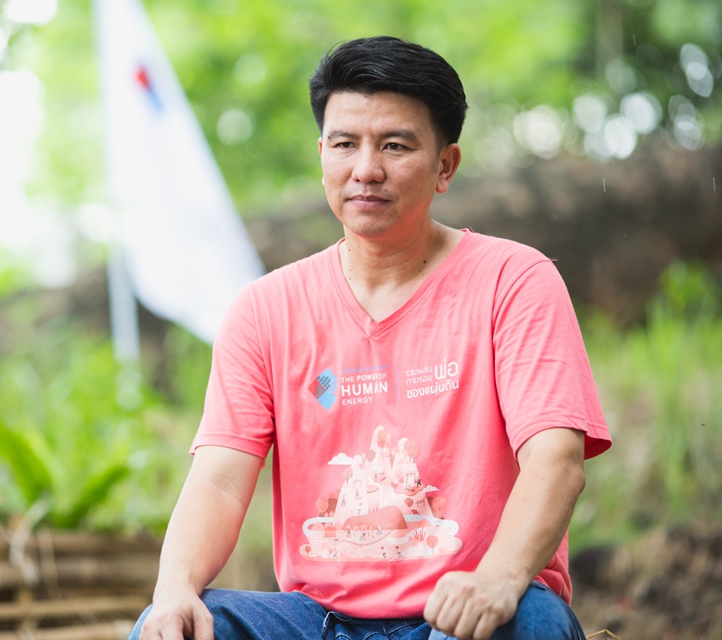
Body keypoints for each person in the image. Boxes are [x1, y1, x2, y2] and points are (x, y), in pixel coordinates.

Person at [130, 36, 611, 640]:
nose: (366, 170)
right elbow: (220, 479)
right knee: (176, 626)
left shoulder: (513, 281)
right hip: (317, 620)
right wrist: (173, 587)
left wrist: (499, 577)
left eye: (394, 145)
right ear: (322, 156)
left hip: (469, 609)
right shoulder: (265, 309)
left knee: (531, 621)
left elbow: (556, 459)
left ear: (445, 166)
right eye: (344, 144)